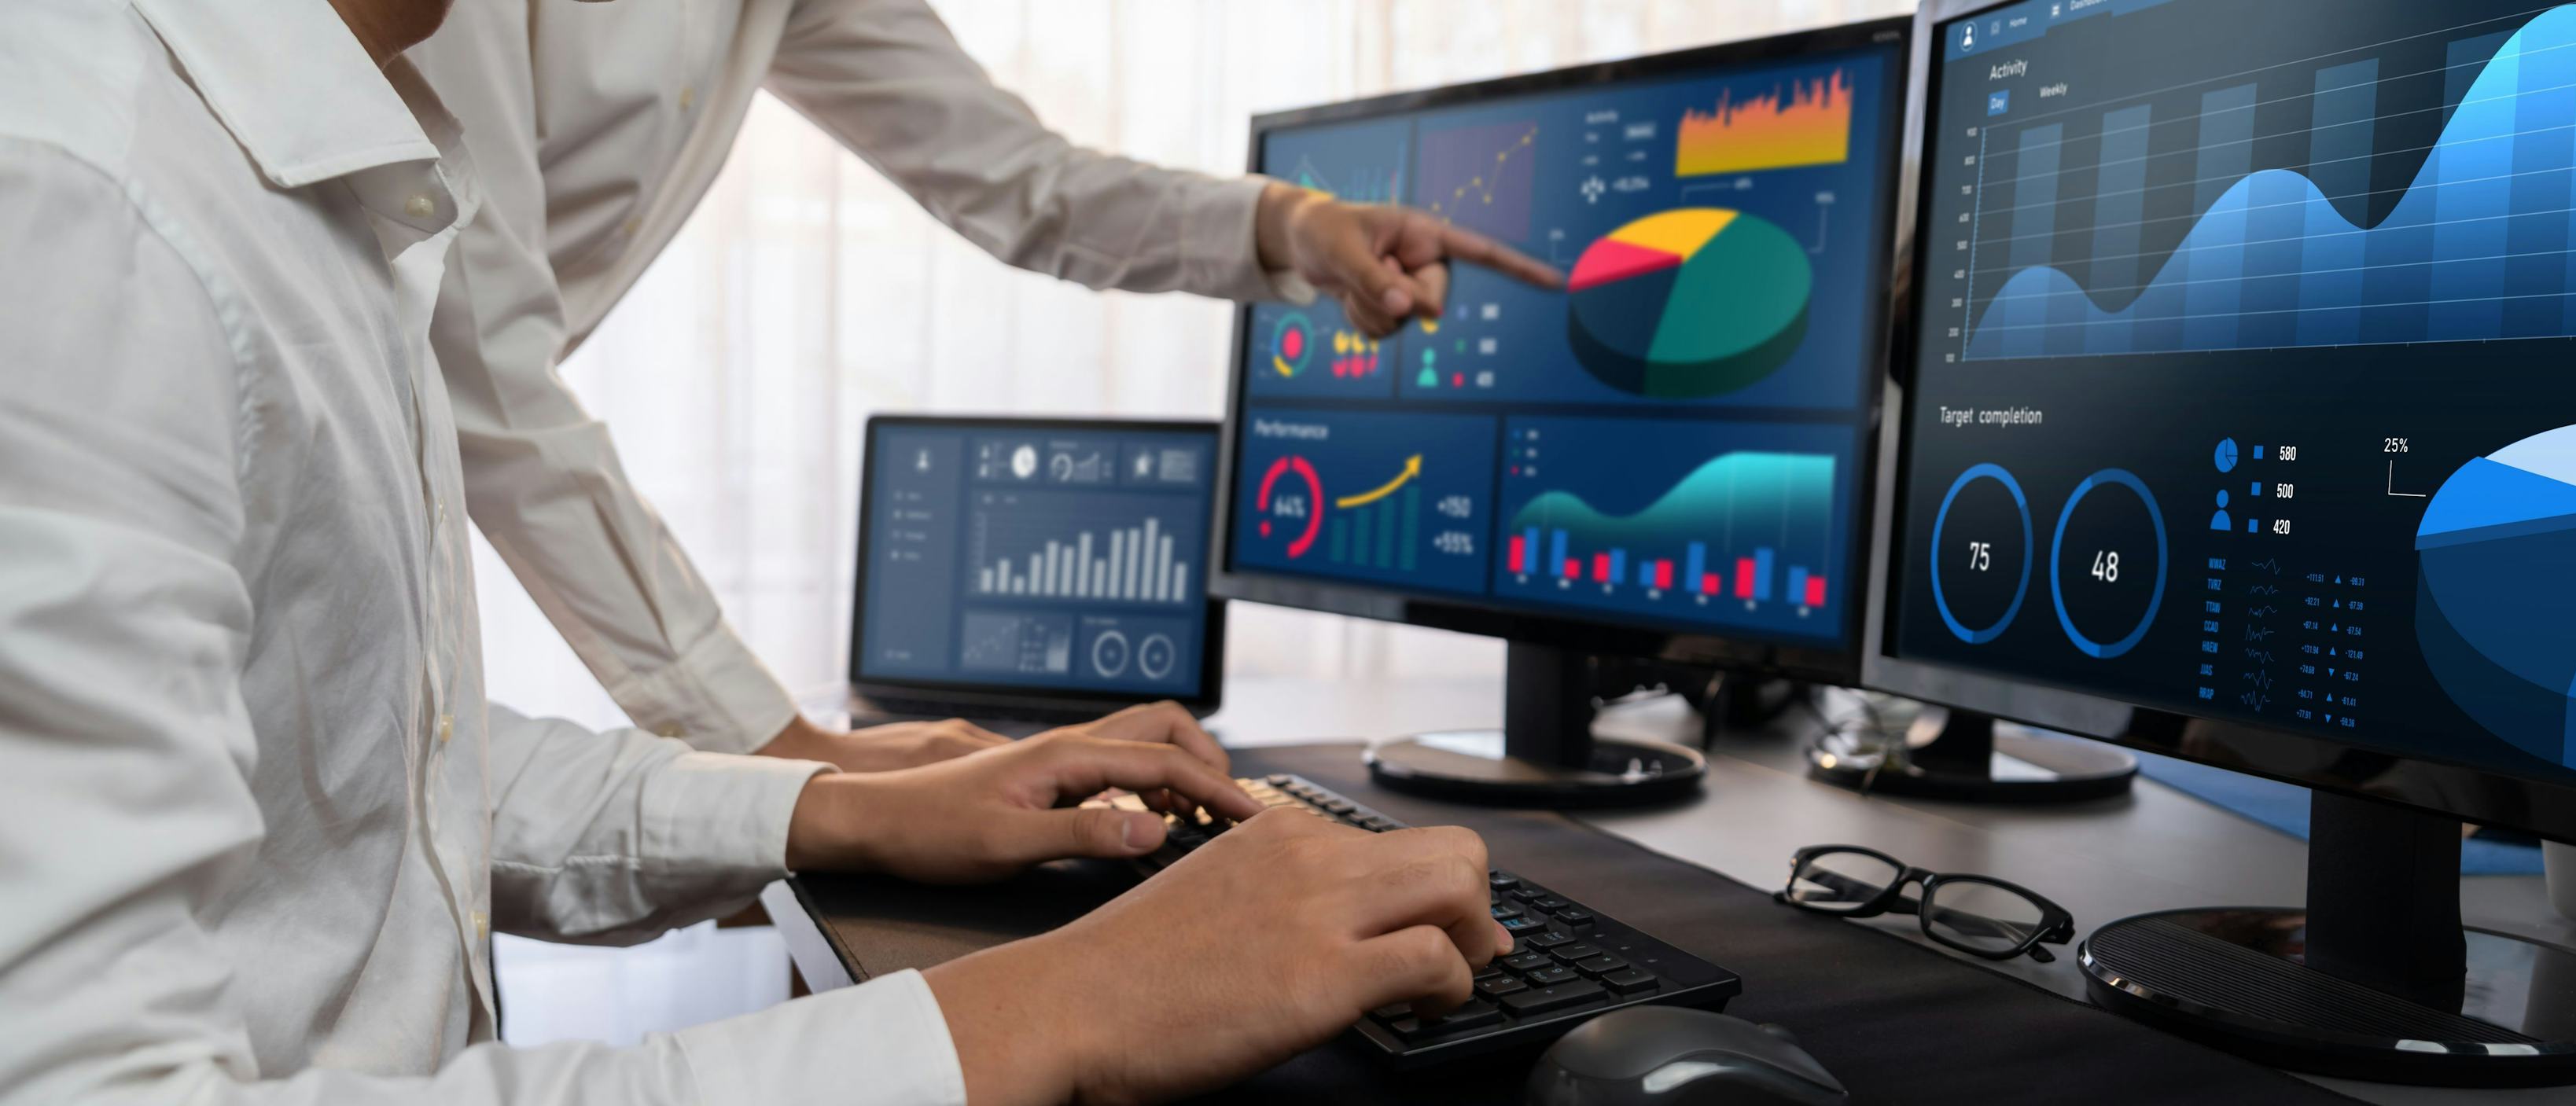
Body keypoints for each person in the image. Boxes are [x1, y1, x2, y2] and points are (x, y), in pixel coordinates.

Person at [0, 2, 1508, 1104]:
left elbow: (360, 761)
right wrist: (1060, 1008)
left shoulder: (270, 142)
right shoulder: (91, 211)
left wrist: (832, 808)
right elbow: (500, 366)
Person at [410, 0, 1562, 770]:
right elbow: (479, 351)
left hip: (411, 479)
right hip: (328, 450)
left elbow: (1021, 181)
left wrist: (1291, 224)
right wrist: (788, 758)